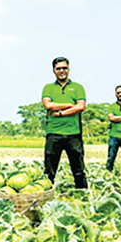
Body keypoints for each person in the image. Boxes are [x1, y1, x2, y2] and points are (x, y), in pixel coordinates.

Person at [42, 56, 87, 188]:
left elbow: (80, 107)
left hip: (73, 134)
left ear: (69, 69)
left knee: (78, 171)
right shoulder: (48, 88)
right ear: (53, 70)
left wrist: (60, 113)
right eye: (58, 68)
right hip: (53, 133)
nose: (62, 71)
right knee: (49, 171)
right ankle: (46, 197)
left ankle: (83, 196)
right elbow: (48, 105)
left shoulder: (78, 87)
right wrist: (68, 104)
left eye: (64, 68)